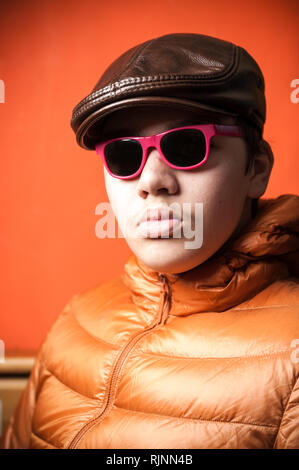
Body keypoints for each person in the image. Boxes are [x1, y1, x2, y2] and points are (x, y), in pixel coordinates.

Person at [1, 33, 299, 450]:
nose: (151, 181)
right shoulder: (77, 319)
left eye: (186, 145)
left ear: (257, 169)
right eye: (124, 154)